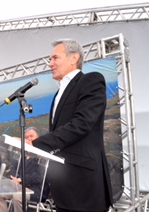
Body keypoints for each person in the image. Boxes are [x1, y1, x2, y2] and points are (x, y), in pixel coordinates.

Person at [31, 39, 113, 211]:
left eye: (55, 58)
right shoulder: (58, 94)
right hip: (63, 187)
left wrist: (36, 144)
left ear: (73, 58)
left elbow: (82, 124)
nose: (50, 63)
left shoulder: (91, 80)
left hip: (84, 186)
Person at [0, 127, 50, 212]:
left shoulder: (43, 155)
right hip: (18, 186)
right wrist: (13, 141)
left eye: (31, 136)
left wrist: (21, 179)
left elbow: (39, 176)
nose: (29, 139)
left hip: (35, 190)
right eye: (26, 137)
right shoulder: (23, 154)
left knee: (17, 197)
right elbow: (13, 165)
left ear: (38, 138)